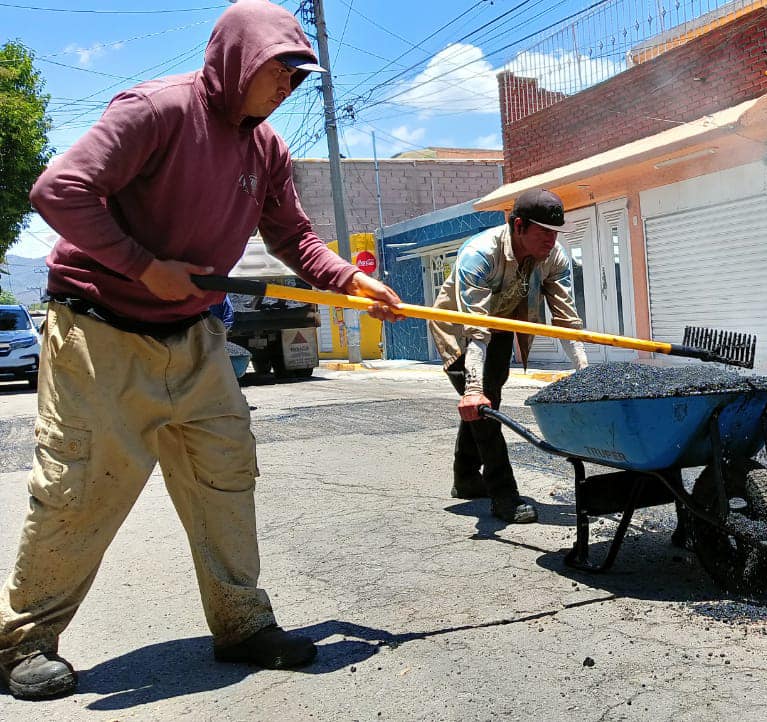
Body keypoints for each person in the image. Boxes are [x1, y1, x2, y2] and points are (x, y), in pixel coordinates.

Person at [0, 0, 402, 701]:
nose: (289, 86)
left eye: (299, 75)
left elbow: (293, 238)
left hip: (194, 338)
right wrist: (140, 264)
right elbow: (57, 190)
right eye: (281, 69)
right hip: (100, 330)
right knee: (78, 489)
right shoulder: (156, 110)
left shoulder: (266, 149)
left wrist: (351, 279)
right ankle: (22, 642)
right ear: (238, 59)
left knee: (225, 475)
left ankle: (242, 623)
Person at [430, 189, 589, 524]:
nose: (551, 239)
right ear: (518, 226)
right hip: (459, 329)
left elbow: (567, 320)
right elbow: (476, 332)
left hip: (501, 324)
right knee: (483, 407)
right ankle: (504, 494)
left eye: (555, 232)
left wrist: (586, 374)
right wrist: (473, 389)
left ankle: (466, 477)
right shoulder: (479, 255)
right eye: (543, 231)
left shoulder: (553, 257)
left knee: (489, 402)